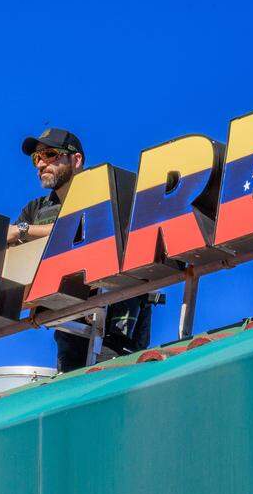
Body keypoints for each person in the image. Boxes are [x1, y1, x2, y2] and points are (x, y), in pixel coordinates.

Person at [13, 127, 153, 372]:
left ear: (76, 159)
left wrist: (23, 230)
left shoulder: (102, 191)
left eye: (50, 154)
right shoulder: (35, 209)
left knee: (117, 378)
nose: (41, 164)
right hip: (69, 326)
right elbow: (15, 258)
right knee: (72, 382)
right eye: (36, 158)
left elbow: (84, 228)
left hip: (117, 316)